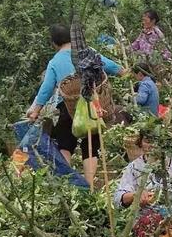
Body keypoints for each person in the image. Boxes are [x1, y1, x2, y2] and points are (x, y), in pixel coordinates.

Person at [26, 24, 125, 186]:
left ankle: (67, 184)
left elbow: (46, 89)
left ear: (54, 43)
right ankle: (89, 184)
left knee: (65, 143)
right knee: (91, 145)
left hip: (68, 107)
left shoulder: (55, 61)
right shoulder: (88, 52)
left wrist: (36, 110)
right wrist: (125, 73)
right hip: (92, 105)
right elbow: (111, 66)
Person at [114, 131, 172, 209]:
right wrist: (136, 195)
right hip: (147, 218)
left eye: (157, 142)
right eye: (148, 141)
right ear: (140, 143)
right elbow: (118, 198)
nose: (152, 145)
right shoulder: (134, 167)